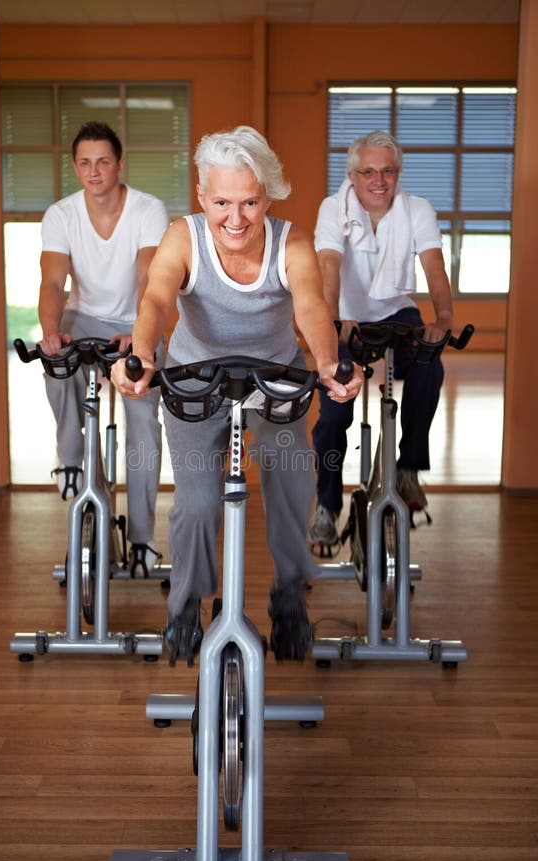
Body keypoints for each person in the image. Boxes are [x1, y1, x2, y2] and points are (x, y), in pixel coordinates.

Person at [111, 125, 362, 665]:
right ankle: (184, 607)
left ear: (267, 197)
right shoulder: (185, 236)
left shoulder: (290, 241)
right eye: (222, 201)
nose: (236, 218)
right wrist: (143, 353)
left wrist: (325, 361)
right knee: (198, 504)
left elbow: (312, 307)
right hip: (195, 377)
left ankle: (289, 594)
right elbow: (155, 299)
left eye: (250, 202)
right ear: (203, 197)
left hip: (275, 377)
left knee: (293, 481)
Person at [308, 130, 454, 554]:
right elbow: (328, 266)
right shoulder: (333, 209)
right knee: (334, 412)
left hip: (396, 311)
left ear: (398, 173)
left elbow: (433, 266)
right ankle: (326, 504)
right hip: (348, 317)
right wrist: (334, 321)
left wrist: (443, 317)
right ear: (353, 175)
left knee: (431, 363)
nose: (379, 179)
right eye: (368, 171)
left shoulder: (417, 210)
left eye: (387, 170)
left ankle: (408, 468)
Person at [38, 120, 169, 572]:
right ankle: (71, 459)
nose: (94, 172)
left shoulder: (148, 210)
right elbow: (53, 282)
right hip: (85, 315)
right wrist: (51, 330)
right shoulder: (61, 214)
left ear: (119, 164)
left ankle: (143, 540)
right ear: (76, 166)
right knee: (54, 359)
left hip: (138, 315)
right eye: (85, 163)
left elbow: (149, 277)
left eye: (103, 162)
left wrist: (141, 329)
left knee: (143, 425)